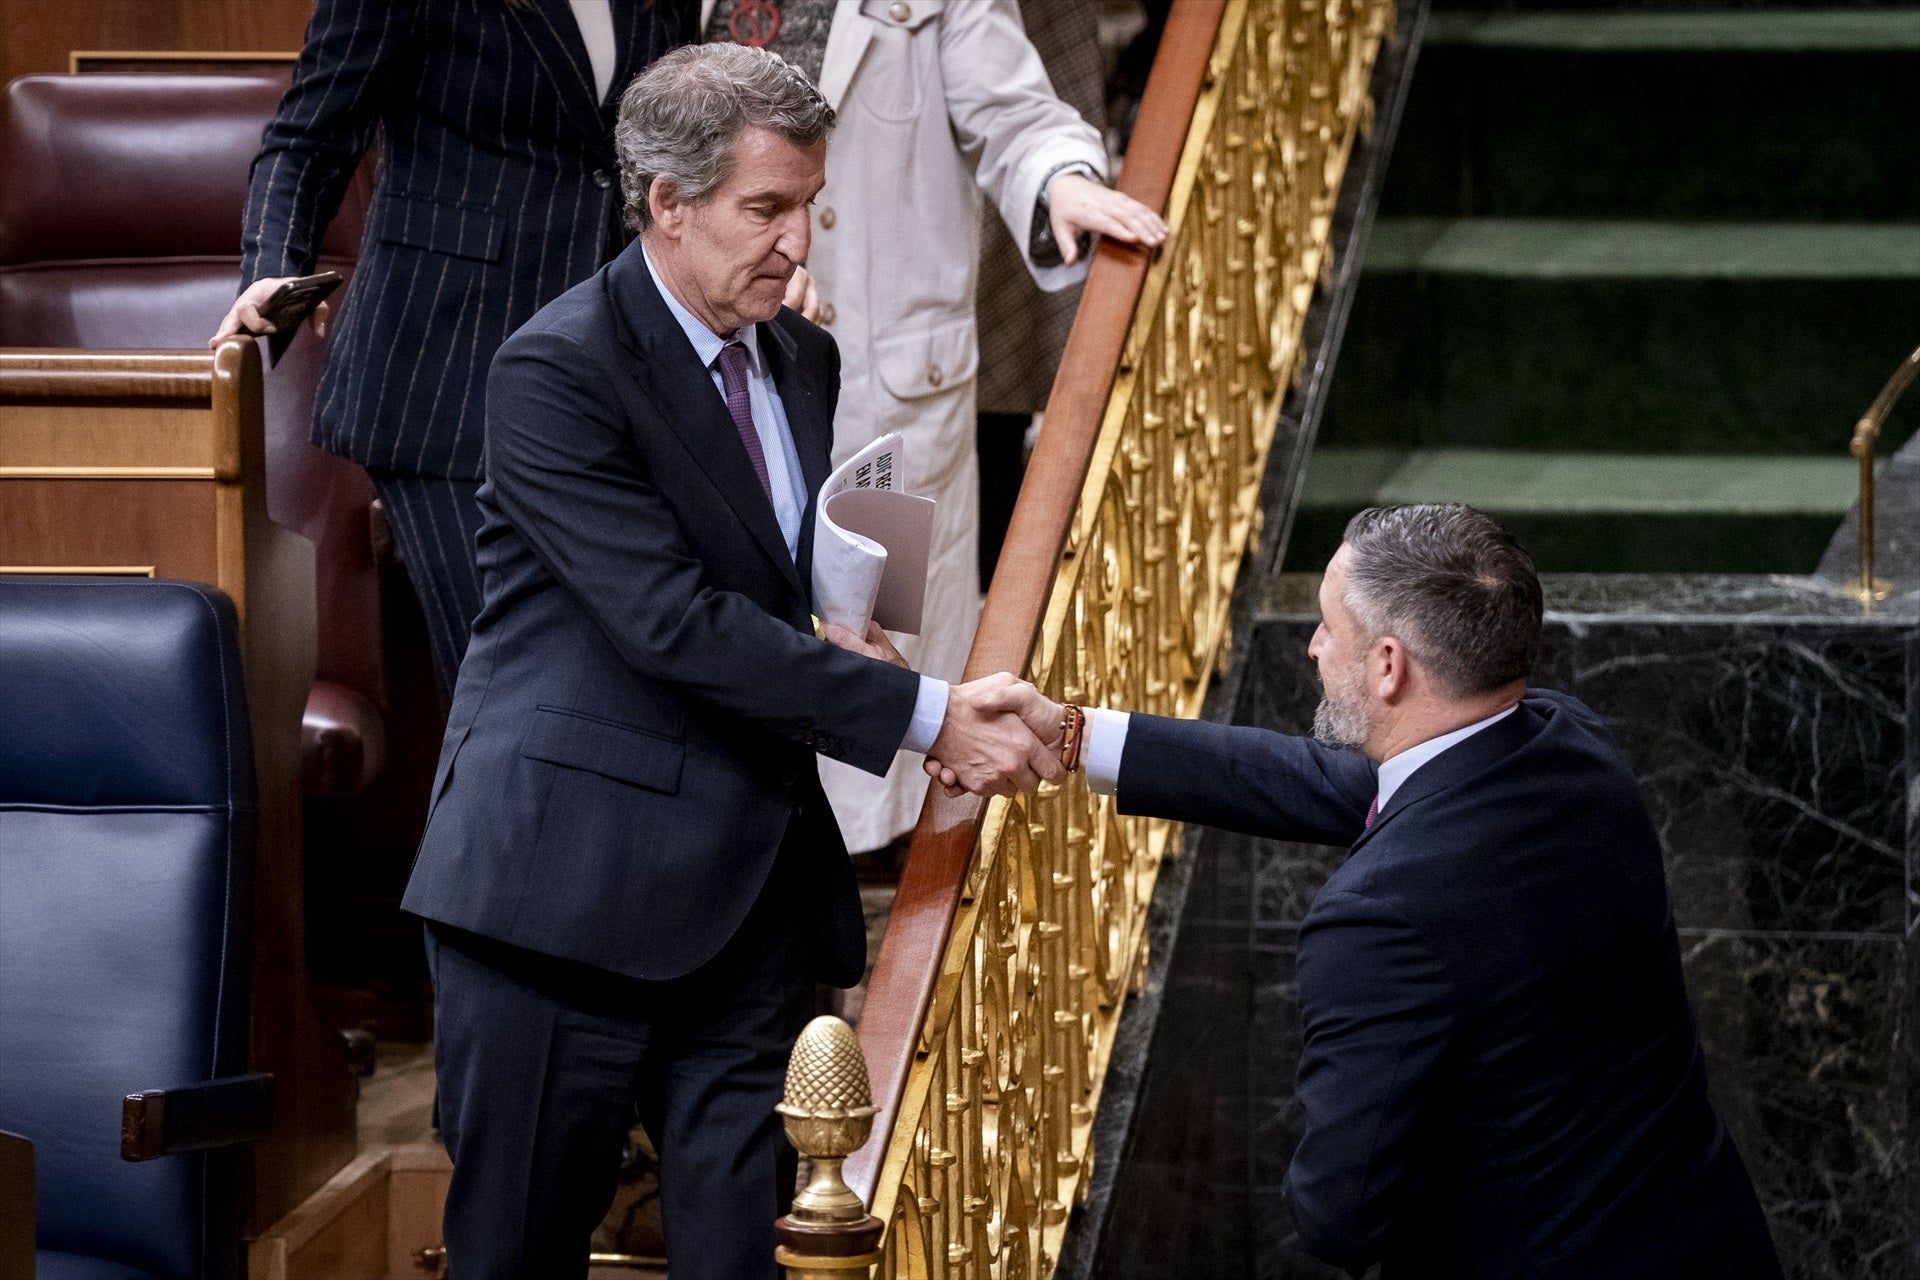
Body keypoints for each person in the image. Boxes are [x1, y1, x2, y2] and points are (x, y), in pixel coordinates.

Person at [398, 45, 1058, 1279]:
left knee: (752, 1261)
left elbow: (765, 563)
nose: (798, 241)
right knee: (517, 1256)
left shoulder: (799, 354)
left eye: (808, 204)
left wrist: (857, 617)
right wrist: (923, 713)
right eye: (766, 209)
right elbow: (672, 621)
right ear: (666, 201)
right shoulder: (555, 368)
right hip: (560, 899)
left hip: (751, 899)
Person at [938, 504, 1782, 1279]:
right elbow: (1328, 780)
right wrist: (1077, 734)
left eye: (1327, 626)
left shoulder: (1379, 919)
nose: (1311, 645)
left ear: (1388, 664)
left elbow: (1338, 1212)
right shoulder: (1568, 743)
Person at [704, 0, 1169, 854]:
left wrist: (1063, 178)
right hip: (722, 371)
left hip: (890, 401)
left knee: (880, 662)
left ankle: (882, 929)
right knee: (738, 645)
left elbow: (1015, 111)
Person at [211, 0, 697, 697]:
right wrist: (273, 262)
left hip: (610, 375)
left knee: (612, 693)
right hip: (445, 374)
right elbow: (308, 136)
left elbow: (683, 151)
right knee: (513, 692)